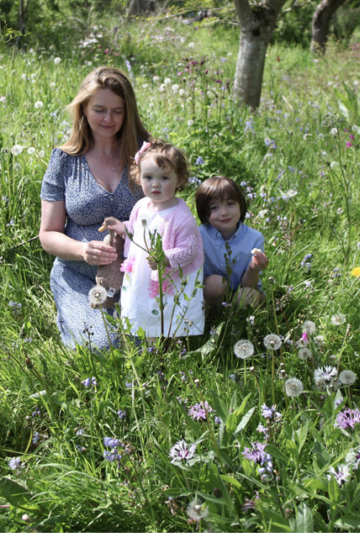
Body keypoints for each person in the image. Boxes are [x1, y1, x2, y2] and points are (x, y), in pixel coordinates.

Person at [39, 66, 150, 350]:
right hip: (80, 275)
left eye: (118, 111)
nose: (108, 119)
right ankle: (70, 312)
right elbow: (48, 234)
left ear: (128, 112)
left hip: (139, 275)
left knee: (149, 343)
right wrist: (82, 250)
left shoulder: (146, 155)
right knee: (102, 345)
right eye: (100, 109)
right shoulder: (64, 160)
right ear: (83, 109)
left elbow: (170, 210)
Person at [104, 141, 205, 343]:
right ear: (138, 178)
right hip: (142, 272)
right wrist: (122, 228)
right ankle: (149, 346)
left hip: (168, 277)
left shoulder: (181, 215)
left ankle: (172, 347)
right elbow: (136, 230)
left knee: (168, 313)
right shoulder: (141, 206)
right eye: (148, 177)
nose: (155, 184)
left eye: (164, 178)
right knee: (145, 309)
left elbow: (190, 249)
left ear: (180, 180)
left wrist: (166, 258)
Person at [195, 176, 268, 311]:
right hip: (212, 294)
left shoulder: (255, 238)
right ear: (205, 213)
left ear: (241, 205)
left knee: (246, 296)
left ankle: (238, 323)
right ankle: (215, 318)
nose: (224, 212)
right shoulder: (198, 236)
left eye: (230, 204)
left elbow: (249, 285)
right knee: (214, 284)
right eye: (214, 207)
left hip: (245, 289)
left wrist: (254, 268)